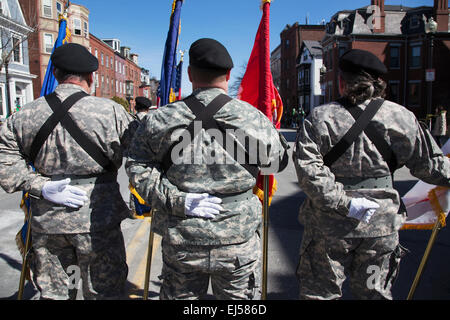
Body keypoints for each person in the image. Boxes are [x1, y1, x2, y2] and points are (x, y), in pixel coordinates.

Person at [126, 38, 289, 300]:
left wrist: (178, 200)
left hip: (183, 239)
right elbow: (276, 162)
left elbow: (137, 165)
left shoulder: (160, 118)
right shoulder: (252, 117)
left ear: (190, 74)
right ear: (228, 74)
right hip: (237, 240)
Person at [293, 49, 450, 300]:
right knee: (374, 295)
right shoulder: (402, 118)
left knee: (320, 295)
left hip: (329, 226)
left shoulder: (320, 118)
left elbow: (308, 171)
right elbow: (430, 166)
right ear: (381, 85)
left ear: (343, 82)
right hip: (380, 225)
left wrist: (344, 203)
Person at [0, 43, 133, 300]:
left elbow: (4, 162)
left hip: (48, 223)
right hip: (98, 221)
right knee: (105, 293)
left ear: (56, 74)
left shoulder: (24, 114)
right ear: (91, 77)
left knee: (56, 294)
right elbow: (141, 155)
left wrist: (40, 186)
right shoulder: (112, 111)